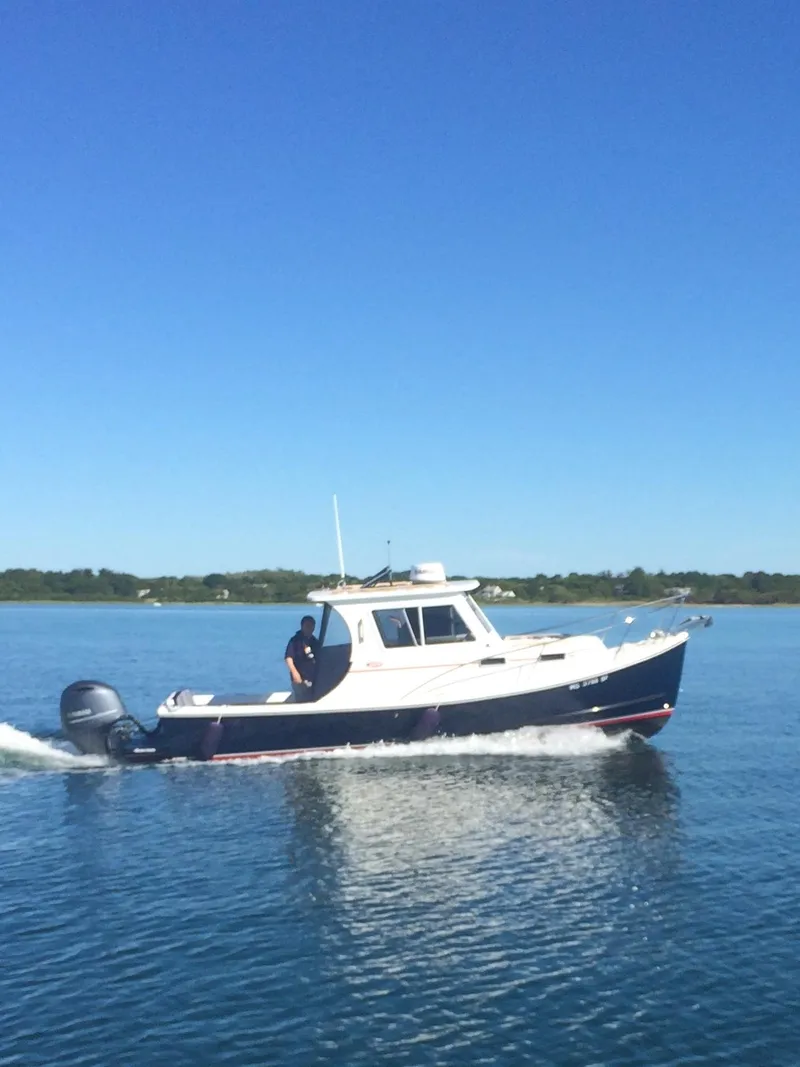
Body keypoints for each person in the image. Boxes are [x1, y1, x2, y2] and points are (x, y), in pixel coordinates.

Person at [285, 615, 320, 702]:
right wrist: (294, 673)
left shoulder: (315, 642)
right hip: (299, 677)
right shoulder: (295, 641)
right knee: (301, 698)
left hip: (312, 678)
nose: (310, 628)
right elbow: (288, 658)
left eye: (312, 626)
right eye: (307, 626)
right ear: (302, 626)